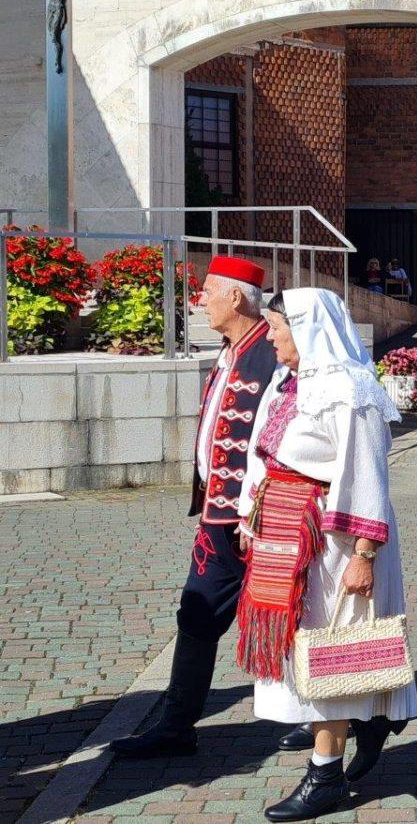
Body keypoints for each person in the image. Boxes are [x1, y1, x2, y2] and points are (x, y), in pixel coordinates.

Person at [111, 258, 311, 757]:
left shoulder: (272, 349)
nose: (200, 300)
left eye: (207, 292)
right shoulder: (228, 350)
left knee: (297, 610)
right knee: (196, 614)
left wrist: (261, 508)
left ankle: (321, 716)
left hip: (264, 516)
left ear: (237, 298)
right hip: (219, 517)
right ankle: (177, 726)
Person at [238, 288, 417, 821]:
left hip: (335, 542)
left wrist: (363, 552)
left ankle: (325, 777)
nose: (269, 337)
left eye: (277, 328)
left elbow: (366, 474)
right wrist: (254, 516)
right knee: (305, 645)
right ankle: (369, 720)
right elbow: (266, 457)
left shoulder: (350, 388)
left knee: (329, 648)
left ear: (308, 329)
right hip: (289, 534)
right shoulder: (290, 383)